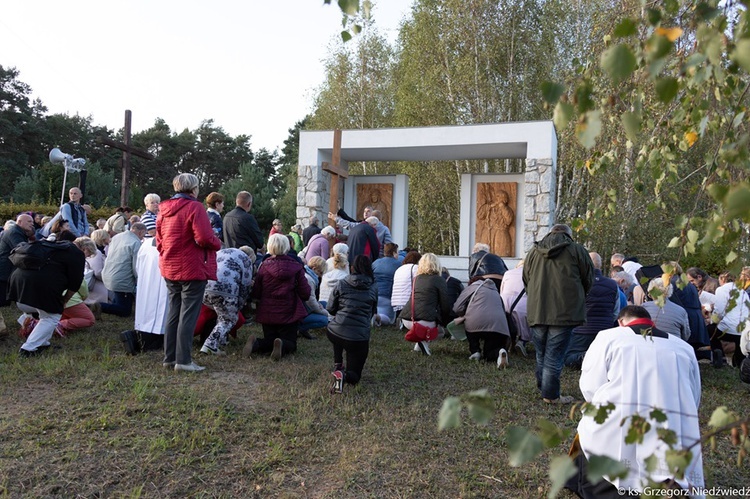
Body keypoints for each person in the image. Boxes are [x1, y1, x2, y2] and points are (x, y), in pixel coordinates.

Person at [565, 305, 704, 498]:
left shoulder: (609, 337)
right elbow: (693, 394)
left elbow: (590, 387)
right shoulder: (682, 347)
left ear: (621, 322)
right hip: (671, 424)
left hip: (617, 424)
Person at [157, 173, 222, 372]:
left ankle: (170, 358)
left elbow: (158, 238)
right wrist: (216, 242)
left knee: (174, 311)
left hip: (169, 265)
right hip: (192, 267)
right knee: (188, 315)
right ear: (194, 189)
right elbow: (203, 237)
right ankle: (183, 361)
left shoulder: (163, 209)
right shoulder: (195, 207)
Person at [523, 224, 594, 404]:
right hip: (564, 311)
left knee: (541, 352)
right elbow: (588, 279)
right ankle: (551, 395)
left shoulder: (533, 252)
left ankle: (544, 388)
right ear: (569, 236)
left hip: (537, 310)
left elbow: (526, 279)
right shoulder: (577, 250)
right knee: (554, 355)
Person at [10, 238, 85, 356]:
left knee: (44, 314)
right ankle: (28, 349)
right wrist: (64, 301)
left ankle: (42, 343)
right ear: (84, 248)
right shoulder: (77, 254)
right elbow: (75, 283)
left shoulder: (48, 246)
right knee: (52, 316)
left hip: (17, 284)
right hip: (40, 284)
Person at [244, 234, 310, 360]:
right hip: (289, 312)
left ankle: (257, 344)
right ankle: (282, 344)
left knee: (269, 339)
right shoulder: (296, 266)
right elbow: (305, 292)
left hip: (267, 312)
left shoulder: (263, 266)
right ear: (287, 246)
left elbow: (257, 291)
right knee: (291, 344)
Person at [326, 255, 379, 393]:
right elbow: (372, 312)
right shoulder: (373, 287)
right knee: (355, 377)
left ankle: (338, 364)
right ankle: (343, 375)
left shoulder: (342, 283)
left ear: (352, 268)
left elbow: (330, 309)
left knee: (340, 328)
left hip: (335, 331)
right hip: (358, 338)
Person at [564, 252, 620, 369]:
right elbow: (615, 311)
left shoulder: (576, 283)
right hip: (605, 332)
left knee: (568, 359)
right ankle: (598, 358)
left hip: (581, 331)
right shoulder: (613, 285)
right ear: (600, 265)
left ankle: (585, 357)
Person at [198, 247, 253, 356]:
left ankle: (221, 341)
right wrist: (239, 306)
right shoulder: (246, 260)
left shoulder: (223, 252)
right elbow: (245, 286)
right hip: (225, 290)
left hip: (205, 287)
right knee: (229, 318)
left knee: (220, 313)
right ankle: (210, 345)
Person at [120, 235, 169, 355]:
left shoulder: (146, 244)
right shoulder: (173, 242)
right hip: (164, 285)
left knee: (147, 316)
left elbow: (137, 267)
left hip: (146, 285)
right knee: (162, 317)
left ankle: (140, 339)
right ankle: (142, 341)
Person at [399, 253, 452, 356]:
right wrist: (445, 321)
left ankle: (418, 346)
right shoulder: (439, 280)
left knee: (425, 326)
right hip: (424, 321)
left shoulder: (416, 279)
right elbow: (445, 306)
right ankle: (423, 343)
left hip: (407, 319)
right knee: (440, 332)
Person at [453, 278, 511, 367]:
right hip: (498, 326)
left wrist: (465, 313)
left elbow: (457, 308)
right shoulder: (496, 292)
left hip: (475, 323)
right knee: (489, 354)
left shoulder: (472, 287)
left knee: (470, 324)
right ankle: (499, 352)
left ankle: (475, 351)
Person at [101, 223, 147, 317]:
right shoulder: (136, 243)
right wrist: (139, 281)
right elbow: (136, 267)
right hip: (123, 280)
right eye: (143, 234)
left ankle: (108, 306)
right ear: (141, 232)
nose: (143, 238)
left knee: (119, 301)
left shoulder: (117, 237)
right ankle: (98, 306)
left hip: (108, 274)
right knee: (125, 311)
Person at [711, 269, 750, 368]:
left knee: (709, 331)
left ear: (722, 279)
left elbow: (719, 311)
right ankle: (740, 364)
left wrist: (711, 321)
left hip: (728, 330)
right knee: (739, 343)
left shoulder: (721, 289)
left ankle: (720, 357)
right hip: (743, 329)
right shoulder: (742, 291)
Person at [0, 214, 33, 306]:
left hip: (8, 267)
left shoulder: (18, 231)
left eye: (32, 222)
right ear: (19, 222)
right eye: (29, 221)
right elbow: (22, 248)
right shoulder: (14, 232)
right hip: (6, 268)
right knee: (3, 301)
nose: (32, 224)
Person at [499, 259, 531, 356]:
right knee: (527, 320)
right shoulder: (532, 275)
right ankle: (522, 342)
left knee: (509, 324)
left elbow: (502, 290)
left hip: (504, 305)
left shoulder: (508, 273)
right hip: (522, 306)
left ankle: (510, 343)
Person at [298, 256, 330, 340]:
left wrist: (319, 306)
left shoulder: (306, 275)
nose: (321, 276)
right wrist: (325, 313)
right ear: (315, 269)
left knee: (324, 304)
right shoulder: (309, 280)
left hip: (303, 307)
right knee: (324, 320)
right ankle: (299, 328)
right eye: (320, 273)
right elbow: (311, 303)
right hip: (302, 312)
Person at [371, 243, 401, 325]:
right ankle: (377, 317)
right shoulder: (399, 264)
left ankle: (373, 316)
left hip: (375, 295)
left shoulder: (375, 263)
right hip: (388, 296)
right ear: (395, 252)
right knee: (390, 320)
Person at [391, 251, 421, 318]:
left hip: (396, 301)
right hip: (407, 301)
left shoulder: (399, 269)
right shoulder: (416, 268)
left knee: (400, 317)